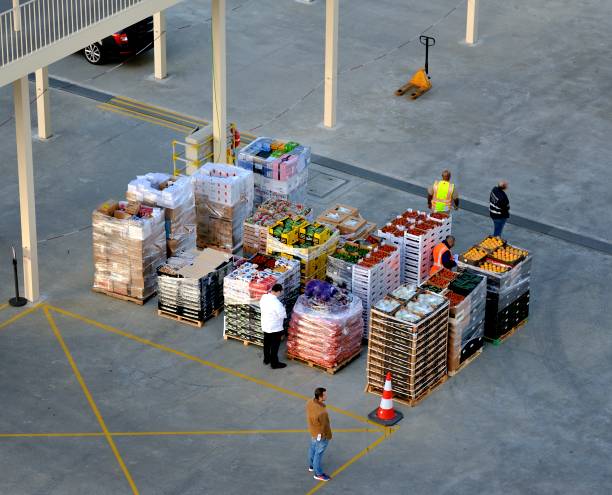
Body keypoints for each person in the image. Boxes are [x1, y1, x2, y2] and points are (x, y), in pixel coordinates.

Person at [306, 387, 333, 482]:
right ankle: (318, 474)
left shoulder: (310, 402)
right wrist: (327, 436)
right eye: (325, 394)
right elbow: (325, 426)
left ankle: (311, 465)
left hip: (313, 431)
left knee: (312, 448)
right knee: (319, 453)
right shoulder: (322, 412)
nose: (326, 395)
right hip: (321, 435)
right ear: (320, 397)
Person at [259, 283, 287, 369]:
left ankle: (266, 359)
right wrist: (284, 308)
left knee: (267, 343)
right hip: (275, 328)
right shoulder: (277, 303)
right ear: (278, 292)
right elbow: (283, 315)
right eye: (281, 292)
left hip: (265, 325)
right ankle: (274, 363)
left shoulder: (264, 297)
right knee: (275, 345)